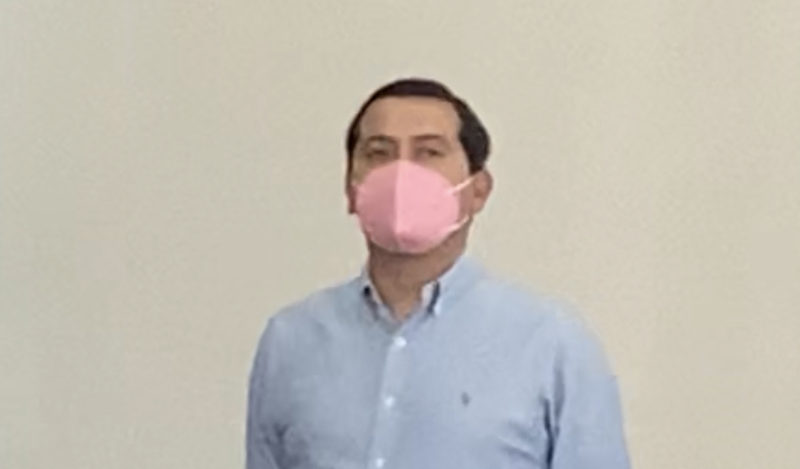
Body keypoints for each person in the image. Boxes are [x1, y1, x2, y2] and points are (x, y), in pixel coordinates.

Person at [246, 78, 630, 469]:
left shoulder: (550, 345)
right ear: (351, 189)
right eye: (379, 153)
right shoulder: (291, 340)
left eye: (428, 152)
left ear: (478, 190)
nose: (400, 174)